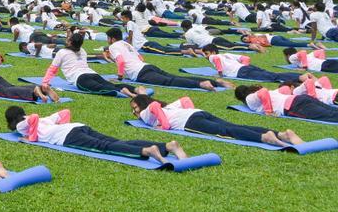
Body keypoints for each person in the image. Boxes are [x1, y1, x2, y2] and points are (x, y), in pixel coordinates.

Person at [4, 105, 186, 163]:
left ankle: (147, 151)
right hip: (78, 127)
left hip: (68, 136)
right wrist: (64, 126)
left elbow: (33, 118)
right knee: (118, 141)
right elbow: (65, 112)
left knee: (105, 148)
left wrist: (31, 138)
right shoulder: (47, 119)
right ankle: (167, 146)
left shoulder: (21, 125)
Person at [129, 94, 302, 147]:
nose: (134, 111)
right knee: (233, 125)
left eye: (134, 107)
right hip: (198, 113)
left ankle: (265, 138)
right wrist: (189, 111)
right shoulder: (169, 106)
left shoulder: (145, 112)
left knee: (226, 132)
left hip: (189, 122)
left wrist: (164, 125)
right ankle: (283, 134)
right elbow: (186, 99)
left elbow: (153, 106)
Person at [103, 27, 230, 90]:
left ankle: (201, 84)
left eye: (108, 38)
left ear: (112, 38)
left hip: (140, 73)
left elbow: (121, 61)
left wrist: (120, 77)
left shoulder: (114, 46)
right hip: (147, 66)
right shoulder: (127, 44)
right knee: (175, 77)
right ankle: (216, 82)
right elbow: (140, 57)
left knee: (170, 81)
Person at [42, 32, 147, 97]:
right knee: (111, 84)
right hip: (93, 74)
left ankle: (128, 93)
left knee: (100, 88)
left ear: (69, 42)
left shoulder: (62, 52)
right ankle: (136, 89)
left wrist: (45, 82)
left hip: (80, 79)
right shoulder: (82, 51)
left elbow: (53, 69)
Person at [200, 45, 301, 84]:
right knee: (274, 75)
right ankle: (299, 78)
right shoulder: (226, 54)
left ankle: (300, 78)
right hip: (245, 68)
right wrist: (243, 67)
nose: (205, 56)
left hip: (241, 72)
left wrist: (220, 73)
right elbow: (246, 58)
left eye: (206, 54)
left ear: (213, 52)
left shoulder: (213, 57)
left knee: (274, 77)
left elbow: (216, 59)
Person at [234, 84, 338, 122]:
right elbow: (285, 89)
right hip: (300, 99)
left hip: (294, 106)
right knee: (332, 111)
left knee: (330, 115)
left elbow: (263, 92)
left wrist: (268, 111)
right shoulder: (271, 93)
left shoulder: (249, 98)